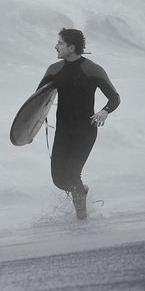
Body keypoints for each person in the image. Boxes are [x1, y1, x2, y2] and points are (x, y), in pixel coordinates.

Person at [37, 28, 120, 219]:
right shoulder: (54, 70)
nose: (55, 46)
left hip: (85, 131)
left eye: (60, 43)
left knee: (73, 174)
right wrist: (29, 129)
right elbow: (37, 101)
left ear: (71, 47)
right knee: (58, 179)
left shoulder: (92, 69)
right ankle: (82, 191)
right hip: (63, 132)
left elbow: (114, 97)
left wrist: (104, 111)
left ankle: (81, 220)